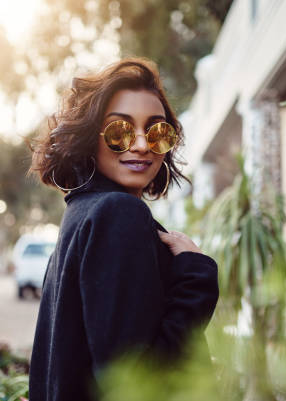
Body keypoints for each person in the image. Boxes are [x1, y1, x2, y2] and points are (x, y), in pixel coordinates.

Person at [27, 57, 219, 401]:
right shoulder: (117, 213)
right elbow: (137, 382)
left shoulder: (81, 214)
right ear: (91, 137)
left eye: (158, 132)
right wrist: (196, 278)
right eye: (120, 131)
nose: (143, 145)